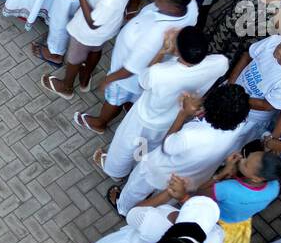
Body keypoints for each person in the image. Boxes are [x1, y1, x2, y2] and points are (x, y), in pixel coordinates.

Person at [95, 24, 227, 174]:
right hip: (170, 120)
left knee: (125, 144)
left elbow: (144, 80)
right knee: (147, 147)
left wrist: (162, 51)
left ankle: (116, 171)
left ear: (177, 50)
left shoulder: (160, 73)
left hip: (145, 117)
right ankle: (136, 168)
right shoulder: (219, 63)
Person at [74, 0, 198, 134]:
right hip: (145, 75)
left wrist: (109, 79)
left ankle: (100, 122)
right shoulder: (191, 6)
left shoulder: (155, 34)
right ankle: (128, 105)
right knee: (132, 97)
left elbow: (129, 69)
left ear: (174, 7)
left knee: (114, 99)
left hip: (126, 78)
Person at [113, 81, 250, 215]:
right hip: (190, 179)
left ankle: (123, 208)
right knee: (163, 202)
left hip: (158, 170)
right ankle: (147, 214)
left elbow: (167, 146)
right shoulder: (240, 125)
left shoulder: (191, 135)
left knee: (135, 190)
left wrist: (183, 112)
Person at [44, 0, 146, 95]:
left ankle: (66, 87)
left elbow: (92, 22)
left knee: (74, 58)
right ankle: (85, 77)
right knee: (95, 49)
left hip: (87, 31)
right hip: (108, 26)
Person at [191, 144, 281, 243]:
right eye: (247, 157)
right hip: (238, 225)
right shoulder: (274, 186)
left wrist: (222, 173)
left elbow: (200, 194)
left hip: (214, 223)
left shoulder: (226, 188)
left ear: (257, 178)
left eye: (246, 164)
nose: (242, 160)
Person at [229, 33, 281, 148]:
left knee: (228, 144)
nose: (279, 49)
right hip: (230, 93)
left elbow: (267, 105)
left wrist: (235, 99)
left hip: (249, 116)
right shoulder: (274, 40)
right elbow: (247, 56)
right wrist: (230, 84)